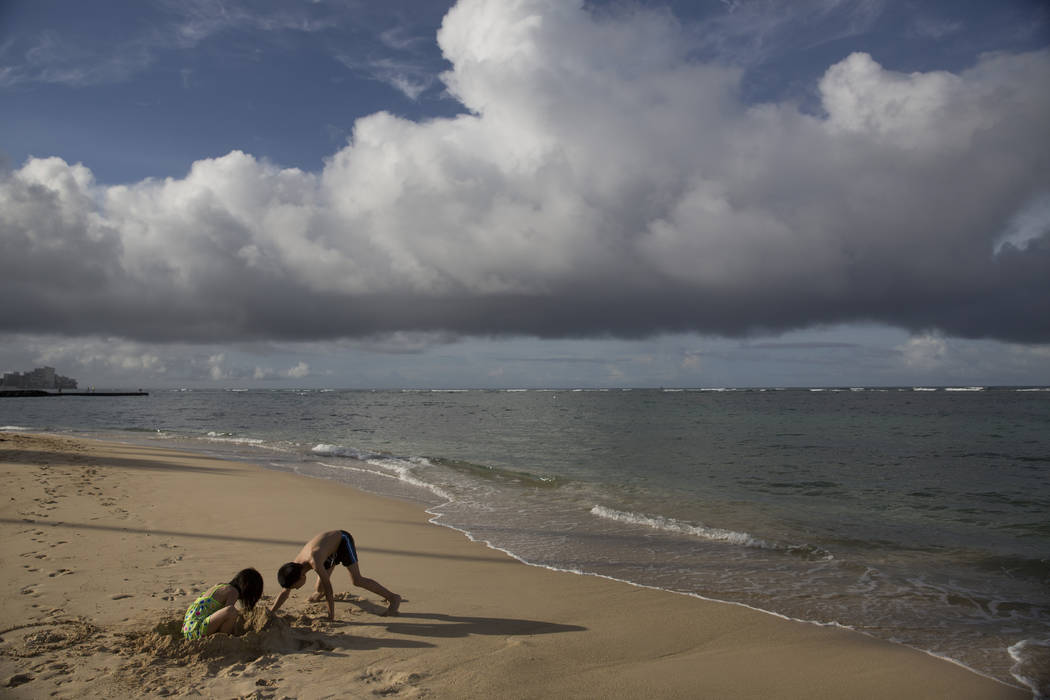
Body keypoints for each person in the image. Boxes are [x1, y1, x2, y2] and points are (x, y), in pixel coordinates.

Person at [270, 529, 401, 620]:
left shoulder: (314, 561)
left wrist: (330, 615)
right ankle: (317, 594)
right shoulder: (294, 567)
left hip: (342, 541)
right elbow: (285, 591)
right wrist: (271, 612)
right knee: (319, 590)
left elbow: (329, 588)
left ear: (301, 577)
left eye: (296, 587)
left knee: (357, 580)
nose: (297, 588)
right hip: (328, 552)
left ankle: (393, 598)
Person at [182, 568, 264, 640]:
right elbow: (228, 613)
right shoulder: (233, 592)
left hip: (188, 629)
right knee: (231, 611)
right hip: (198, 629)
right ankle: (222, 639)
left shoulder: (219, 586)